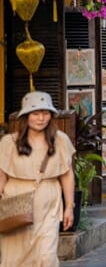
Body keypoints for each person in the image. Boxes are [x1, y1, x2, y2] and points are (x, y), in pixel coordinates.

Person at [0, 91, 76, 266]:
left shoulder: (61, 141)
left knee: (46, 257)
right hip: (15, 204)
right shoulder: (8, 142)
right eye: (35, 113)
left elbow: (67, 174)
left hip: (48, 204)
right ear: (26, 116)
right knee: (15, 258)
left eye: (45, 113)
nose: (41, 118)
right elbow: (1, 174)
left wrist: (69, 207)